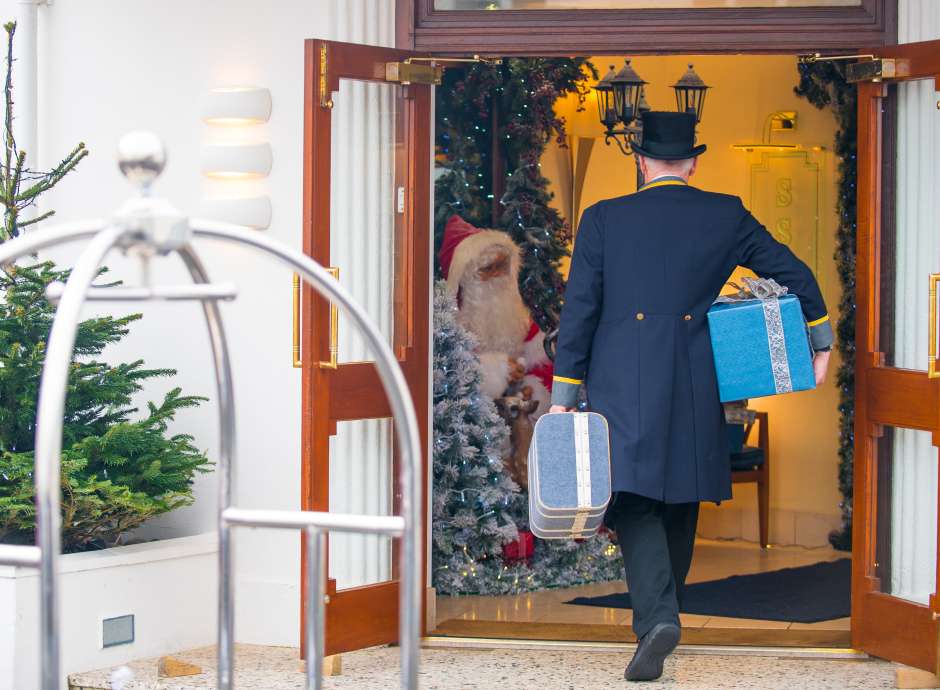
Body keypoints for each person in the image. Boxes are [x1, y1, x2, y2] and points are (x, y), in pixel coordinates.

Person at [548, 111, 832, 682]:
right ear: (694, 162)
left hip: (621, 380)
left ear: (641, 162)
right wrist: (819, 339)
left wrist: (564, 391)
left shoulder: (604, 218)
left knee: (630, 498)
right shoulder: (724, 213)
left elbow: (580, 310)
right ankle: (664, 614)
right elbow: (793, 271)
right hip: (696, 375)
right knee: (680, 496)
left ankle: (657, 618)